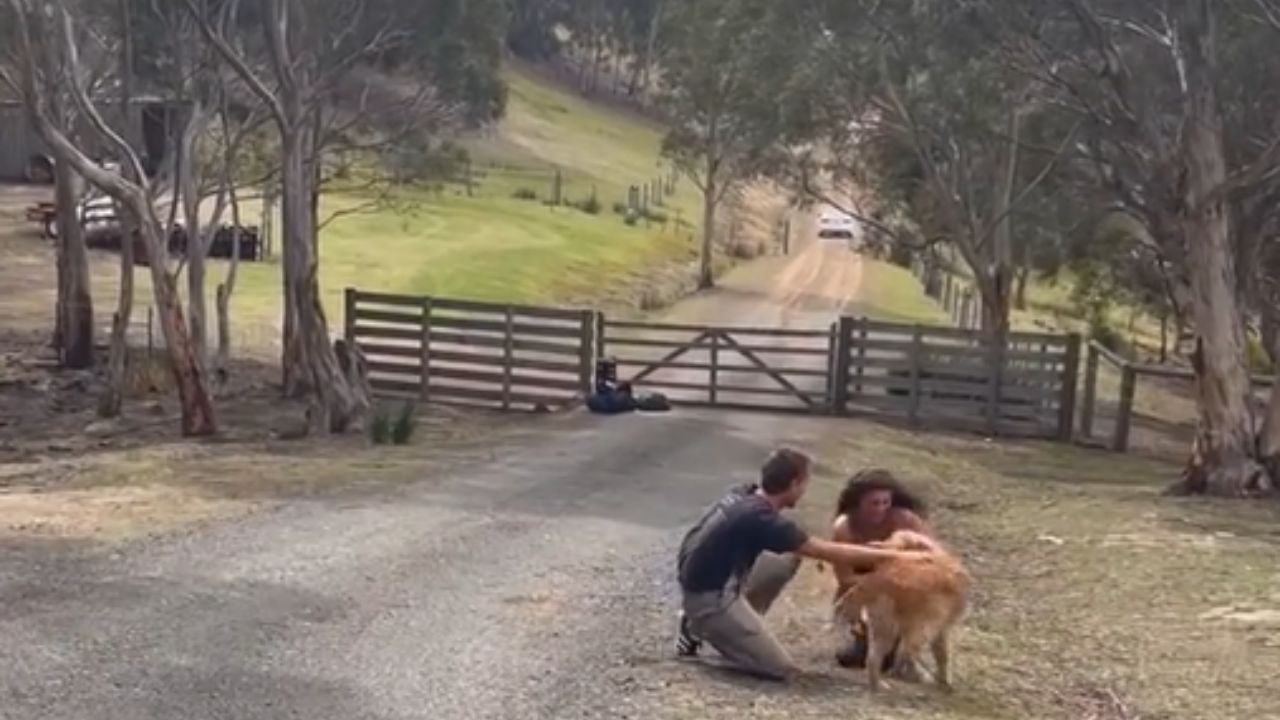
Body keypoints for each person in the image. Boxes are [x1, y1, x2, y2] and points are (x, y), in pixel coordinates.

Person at [674, 448, 936, 682]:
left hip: (712, 580)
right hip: (711, 597)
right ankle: (704, 627)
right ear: (794, 482)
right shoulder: (761, 518)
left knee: (785, 559)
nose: (805, 490)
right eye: (805, 483)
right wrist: (896, 557)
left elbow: (696, 536)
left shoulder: (744, 494)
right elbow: (825, 551)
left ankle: (733, 622)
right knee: (780, 669)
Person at [828, 468, 934, 671]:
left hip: (904, 579)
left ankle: (905, 643)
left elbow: (932, 557)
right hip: (864, 583)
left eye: (886, 502)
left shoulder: (906, 520)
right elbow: (844, 578)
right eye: (874, 503)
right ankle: (863, 637)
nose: (880, 509)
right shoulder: (844, 527)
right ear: (857, 503)